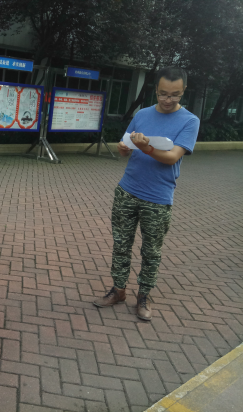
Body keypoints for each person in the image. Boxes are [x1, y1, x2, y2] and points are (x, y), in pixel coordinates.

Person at [93, 67, 200, 321]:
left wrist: (147, 147)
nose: (167, 99)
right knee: (121, 244)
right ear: (156, 90)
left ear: (183, 91)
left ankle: (144, 295)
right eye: (162, 93)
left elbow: (172, 157)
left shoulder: (189, 121)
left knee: (151, 251)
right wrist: (123, 148)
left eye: (174, 95)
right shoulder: (142, 114)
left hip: (158, 198)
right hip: (127, 191)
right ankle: (118, 290)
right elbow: (125, 149)